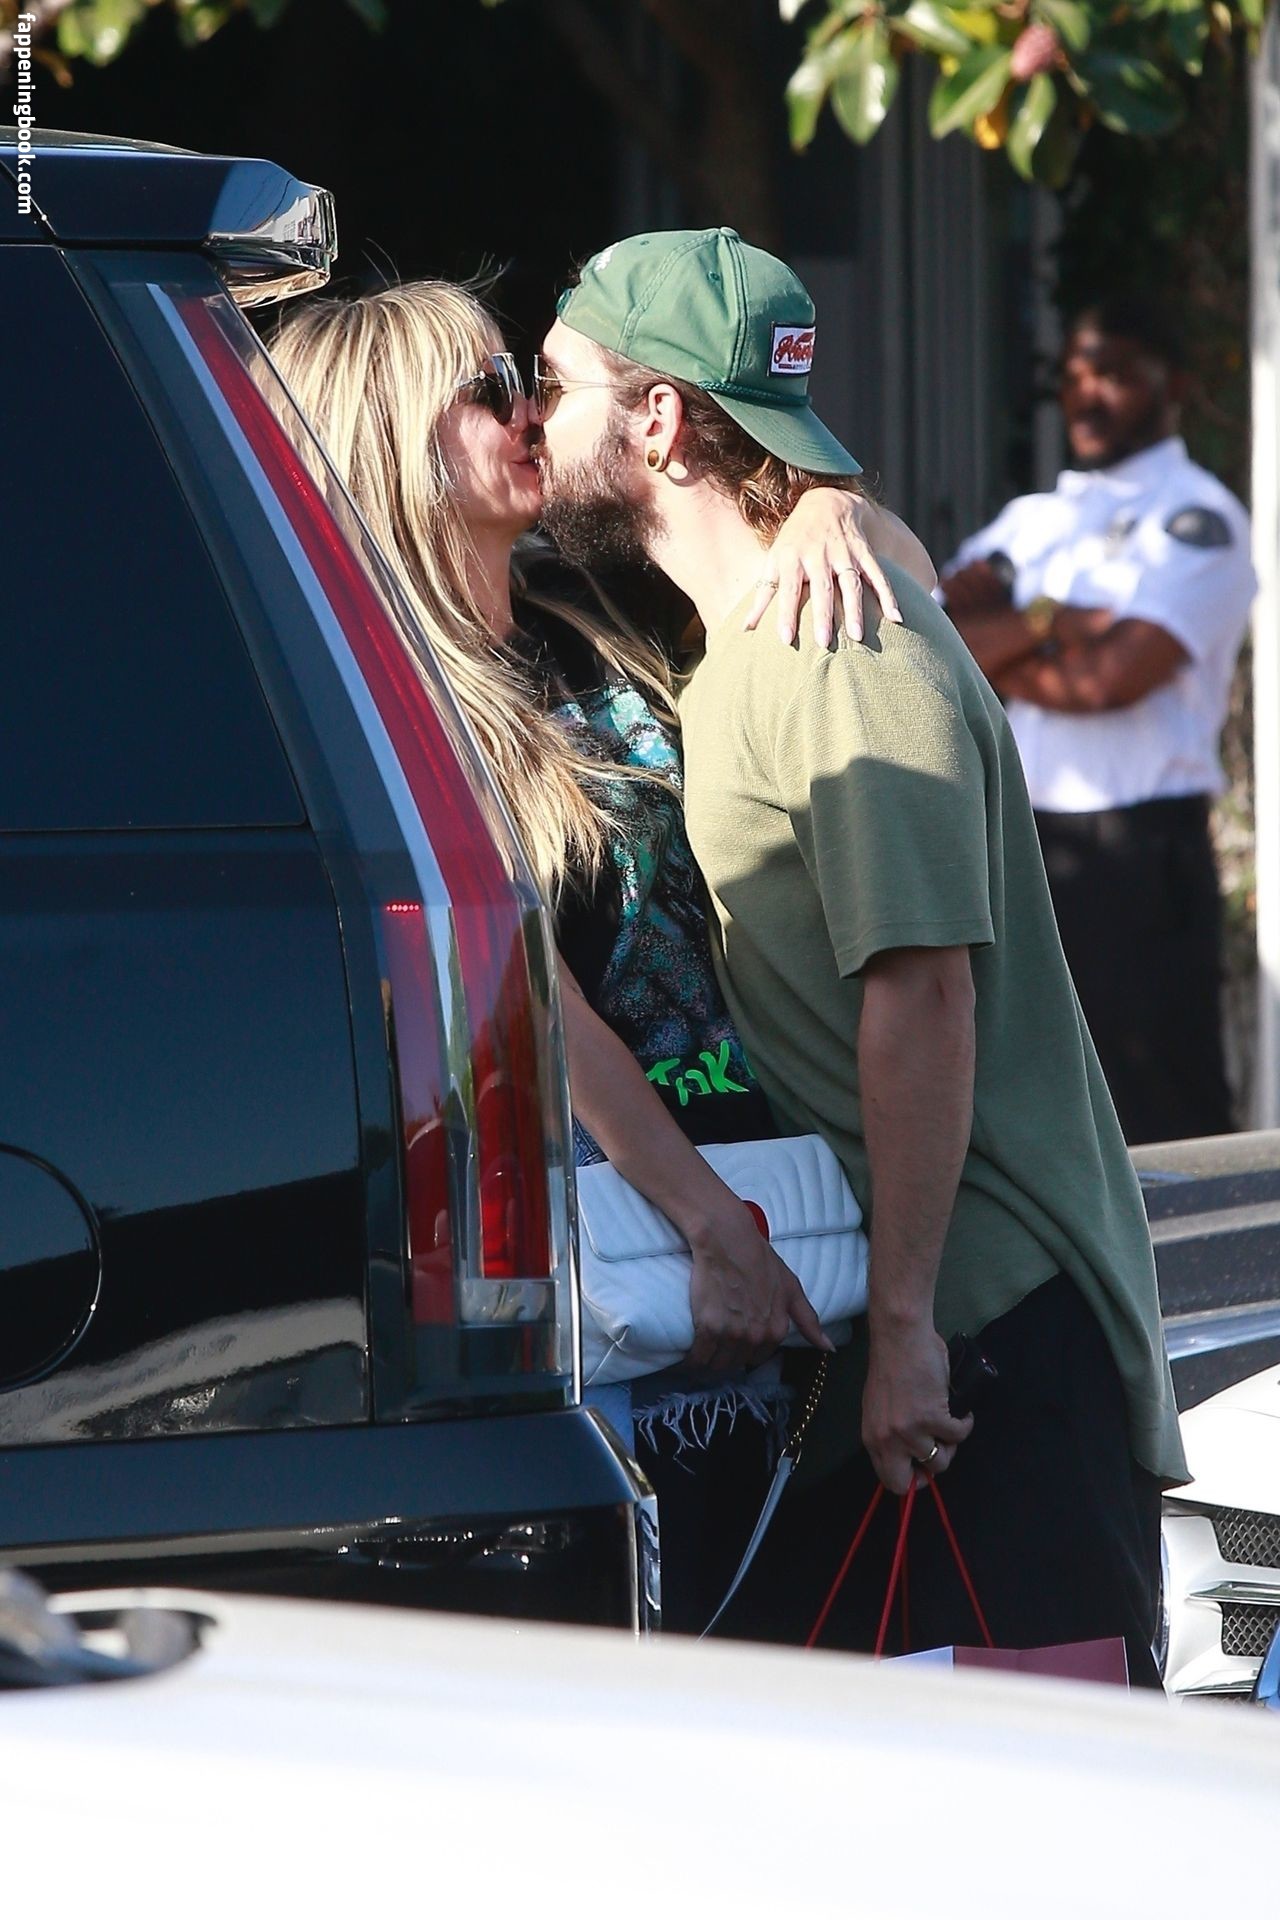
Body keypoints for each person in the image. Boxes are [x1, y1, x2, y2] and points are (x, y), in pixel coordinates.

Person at [533, 226, 1188, 1682]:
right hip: (903, 1345)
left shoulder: (836, 647)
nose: (532, 413)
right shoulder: (756, 624)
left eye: (556, 382)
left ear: (658, 419)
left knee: (1041, 1798)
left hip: (982, 1341)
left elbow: (924, 996)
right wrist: (842, 504)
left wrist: (903, 1331)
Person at [268, 278, 936, 1630]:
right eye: (485, 391)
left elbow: (903, 589)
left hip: (780, 1220)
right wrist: (711, 1227)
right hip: (634, 1266)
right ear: (386, 441)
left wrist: (828, 508)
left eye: (527, 380)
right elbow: (528, 1003)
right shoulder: (390, 708)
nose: (528, 411)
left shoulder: (589, 617)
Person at [942, 296, 1257, 1146]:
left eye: (1114, 373)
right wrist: (1059, 621)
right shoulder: (1034, 520)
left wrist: (1008, 634)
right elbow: (936, 642)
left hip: (1136, 854)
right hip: (1024, 844)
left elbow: (1109, 680)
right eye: (1075, 375)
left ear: (1173, 385)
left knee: (1159, 1116)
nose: (1087, 394)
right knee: (1028, 1103)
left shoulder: (1196, 518)